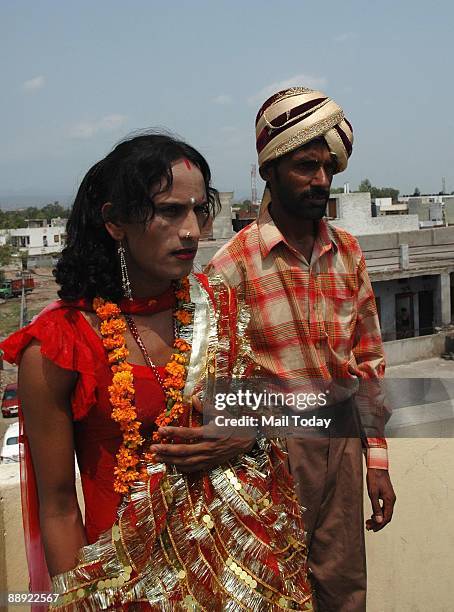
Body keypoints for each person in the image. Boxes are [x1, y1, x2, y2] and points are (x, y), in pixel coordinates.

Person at [0, 133, 314, 610]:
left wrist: (247, 431)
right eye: (169, 211)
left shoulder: (221, 306)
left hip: (233, 577)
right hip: (125, 583)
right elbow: (59, 508)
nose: (192, 231)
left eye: (198, 210)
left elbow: (270, 410)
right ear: (114, 222)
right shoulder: (59, 345)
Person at [207, 87, 396, 611]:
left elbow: (369, 362)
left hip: (341, 447)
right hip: (266, 453)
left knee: (342, 592)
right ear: (268, 171)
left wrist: (375, 460)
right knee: (269, 592)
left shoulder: (349, 253)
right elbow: (213, 385)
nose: (320, 181)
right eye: (304, 167)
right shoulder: (232, 267)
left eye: (327, 168)